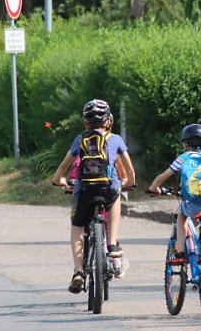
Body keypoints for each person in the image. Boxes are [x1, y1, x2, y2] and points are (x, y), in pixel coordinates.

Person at [50, 99, 136, 293]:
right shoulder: (115, 139)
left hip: (85, 190)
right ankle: (112, 244)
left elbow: (63, 167)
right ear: (108, 121)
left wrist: (59, 180)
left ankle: (79, 271)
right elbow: (130, 171)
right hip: (108, 188)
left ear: (85, 122)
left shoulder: (80, 139)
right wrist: (128, 183)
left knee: (77, 226)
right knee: (115, 199)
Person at [148, 124, 201, 261]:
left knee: (181, 216)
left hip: (192, 205)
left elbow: (162, 177)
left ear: (186, 144)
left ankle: (180, 251)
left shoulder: (183, 158)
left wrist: (154, 188)